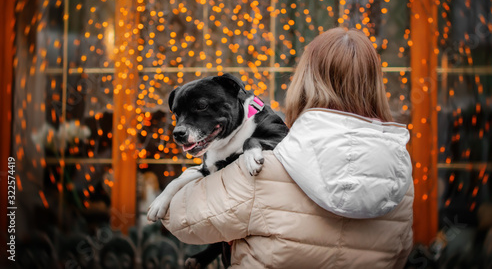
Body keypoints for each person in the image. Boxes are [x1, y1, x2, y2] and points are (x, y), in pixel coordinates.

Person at [162, 27, 414, 268]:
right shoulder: (400, 175)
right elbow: (401, 254)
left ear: (304, 84)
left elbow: (180, 219)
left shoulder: (266, 165)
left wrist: (194, 175)